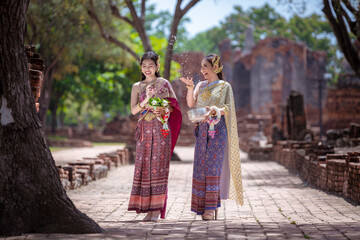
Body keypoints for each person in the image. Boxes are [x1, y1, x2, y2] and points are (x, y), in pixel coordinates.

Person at [180, 53, 243, 220]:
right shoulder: (200, 85)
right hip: (201, 130)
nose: (202, 70)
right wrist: (190, 88)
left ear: (216, 67)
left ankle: (211, 208)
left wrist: (216, 109)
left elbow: (228, 108)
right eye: (201, 67)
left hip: (218, 130)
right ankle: (201, 207)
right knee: (200, 167)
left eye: (205, 67)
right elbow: (191, 104)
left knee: (213, 167)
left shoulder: (224, 86)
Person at [128, 51, 182, 221]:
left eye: (151, 65)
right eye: (144, 66)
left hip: (161, 130)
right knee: (145, 168)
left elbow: (174, 107)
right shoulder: (137, 86)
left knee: (158, 167)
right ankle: (146, 206)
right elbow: (134, 110)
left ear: (157, 66)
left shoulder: (164, 84)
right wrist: (147, 100)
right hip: (144, 130)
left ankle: (156, 209)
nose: (147, 69)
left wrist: (164, 109)